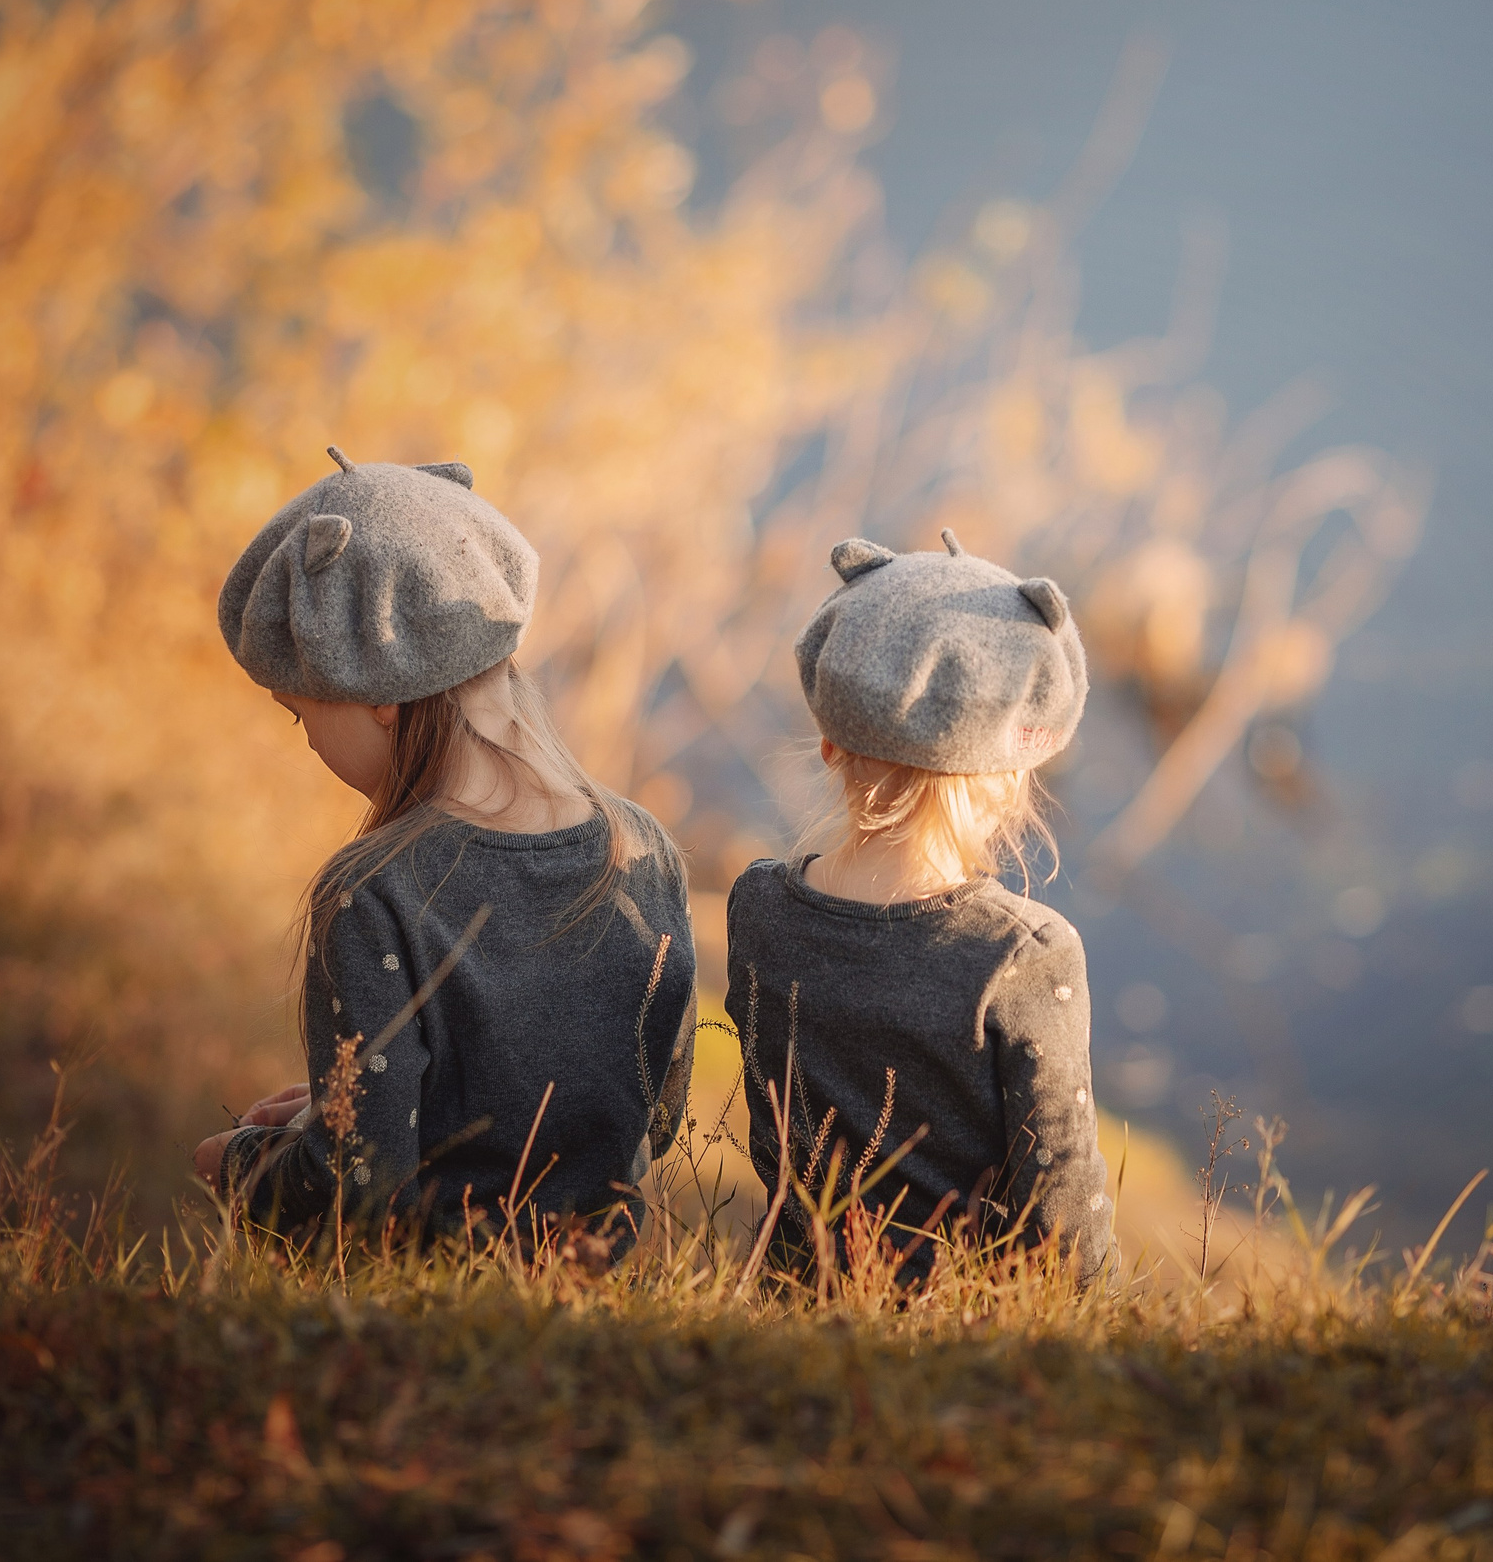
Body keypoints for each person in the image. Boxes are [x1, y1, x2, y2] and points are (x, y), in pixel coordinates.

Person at [193, 447, 692, 1248]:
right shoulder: (646, 850)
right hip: (598, 1306)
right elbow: (655, 1116)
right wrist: (340, 1113)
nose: (309, 743)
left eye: (301, 713)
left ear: (381, 693)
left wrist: (245, 1160)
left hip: (431, 1327)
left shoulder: (373, 892)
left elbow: (364, 1190)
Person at [724, 529, 1117, 1287]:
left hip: (790, 1306)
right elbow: (1063, 1208)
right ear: (1011, 775)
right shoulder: (1027, 954)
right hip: (966, 1338)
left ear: (832, 744)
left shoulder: (758, 908)